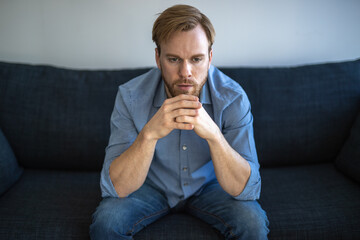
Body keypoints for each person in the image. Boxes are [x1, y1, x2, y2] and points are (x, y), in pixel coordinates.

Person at [90, 4, 269, 240]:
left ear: (210, 57)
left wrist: (215, 136)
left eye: (196, 59)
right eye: (174, 59)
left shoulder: (232, 98)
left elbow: (248, 190)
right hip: (150, 186)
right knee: (106, 223)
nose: (186, 72)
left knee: (252, 224)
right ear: (158, 58)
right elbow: (115, 188)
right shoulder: (130, 96)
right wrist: (149, 135)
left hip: (211, 187)